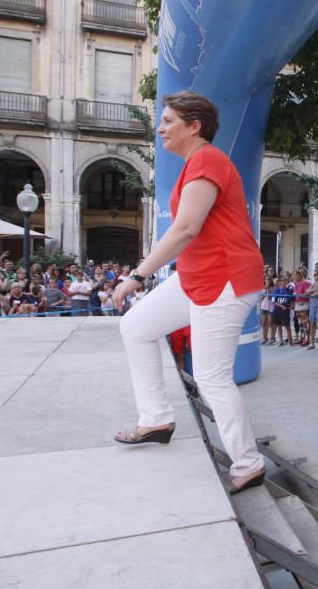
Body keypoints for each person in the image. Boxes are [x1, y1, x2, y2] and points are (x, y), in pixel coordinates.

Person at [111, 90, 268, 495]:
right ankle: (157, 420)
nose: (160, 128)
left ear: (193, 126)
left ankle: (248, 464)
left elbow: (184, 229)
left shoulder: (208, 159)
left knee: (212, 378)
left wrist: (138, 276)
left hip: (226, 277)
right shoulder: (193, 165)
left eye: (168, 121)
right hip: (197, 275)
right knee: (136, 326)